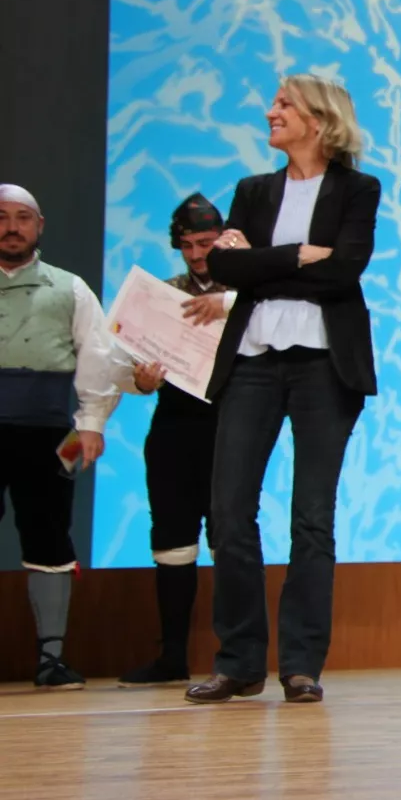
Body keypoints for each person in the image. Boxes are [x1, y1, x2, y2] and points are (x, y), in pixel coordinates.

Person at [183, 75, 381, 706]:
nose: (271, 112)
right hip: (252, 359)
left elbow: (346, 267)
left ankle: (300, 664)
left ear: (319, 120)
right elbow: (223, 266)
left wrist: (263, 262)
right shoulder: (253, 190)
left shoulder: (357, 189)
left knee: (311, 518)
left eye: (284, 105)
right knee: (231, 512)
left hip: (325, 363)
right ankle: (240, 661)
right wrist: (297, 256)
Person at [0, 183, 141, 688]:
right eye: (2, 216)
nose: (12, 226)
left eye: (22, 217)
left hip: (47, 433)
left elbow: (98, 358)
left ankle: (51, 659)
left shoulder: (71, 288)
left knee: (49, 535)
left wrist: (92, 424)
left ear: (39, 226)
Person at [118, 194, 234, 687]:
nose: (195, 254)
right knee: (170, 540)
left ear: (223, 239)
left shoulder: (244, 291)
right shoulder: (163, 295)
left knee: (230, 539)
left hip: (231, 426)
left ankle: (236, 657)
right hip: (172, 428)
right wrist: (141, 380)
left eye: (204, 243)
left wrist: (226, 305)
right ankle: (171, 656)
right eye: (186, 245)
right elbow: (128, 369)